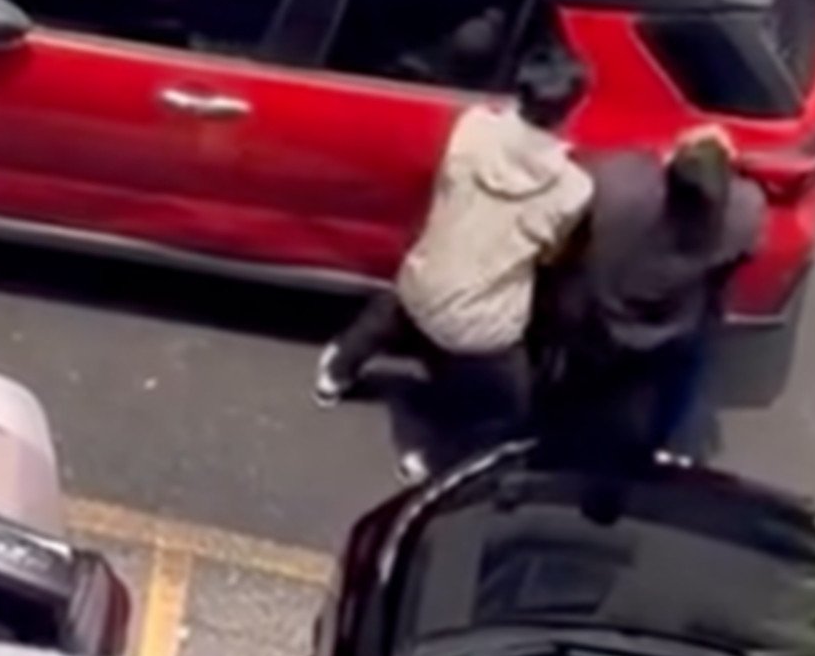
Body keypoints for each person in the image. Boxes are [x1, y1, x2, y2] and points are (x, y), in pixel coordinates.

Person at [314, 47, 593, 474]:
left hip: (422, 282)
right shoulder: (573, 188)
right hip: (479, 331)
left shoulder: (472, 127)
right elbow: (551, 254)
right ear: (573, 108)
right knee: (511, 413)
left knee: (394, 307)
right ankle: (427, 459)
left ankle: (336, 372)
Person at [543, 129, 768, 461]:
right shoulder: (743, 215)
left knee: (575, 380)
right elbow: (734, 265)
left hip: (601, 319)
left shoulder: (617, 187)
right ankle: (660, 441)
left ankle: (557, 429)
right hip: (674, 329)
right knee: (683, 372)